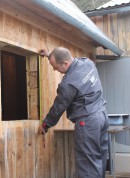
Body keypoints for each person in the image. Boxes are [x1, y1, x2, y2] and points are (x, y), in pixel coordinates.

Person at [38, 47, 109, 178]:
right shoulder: (87, 62)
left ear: (65, 63)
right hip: (102, 116)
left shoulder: (68, 84)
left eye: (55, 67)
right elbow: (65, 57)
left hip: (88, 123)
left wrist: (45, 125)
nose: (55, 69)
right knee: (98, 159)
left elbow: (58, 108)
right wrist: (50, 56)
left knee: (87, 166)